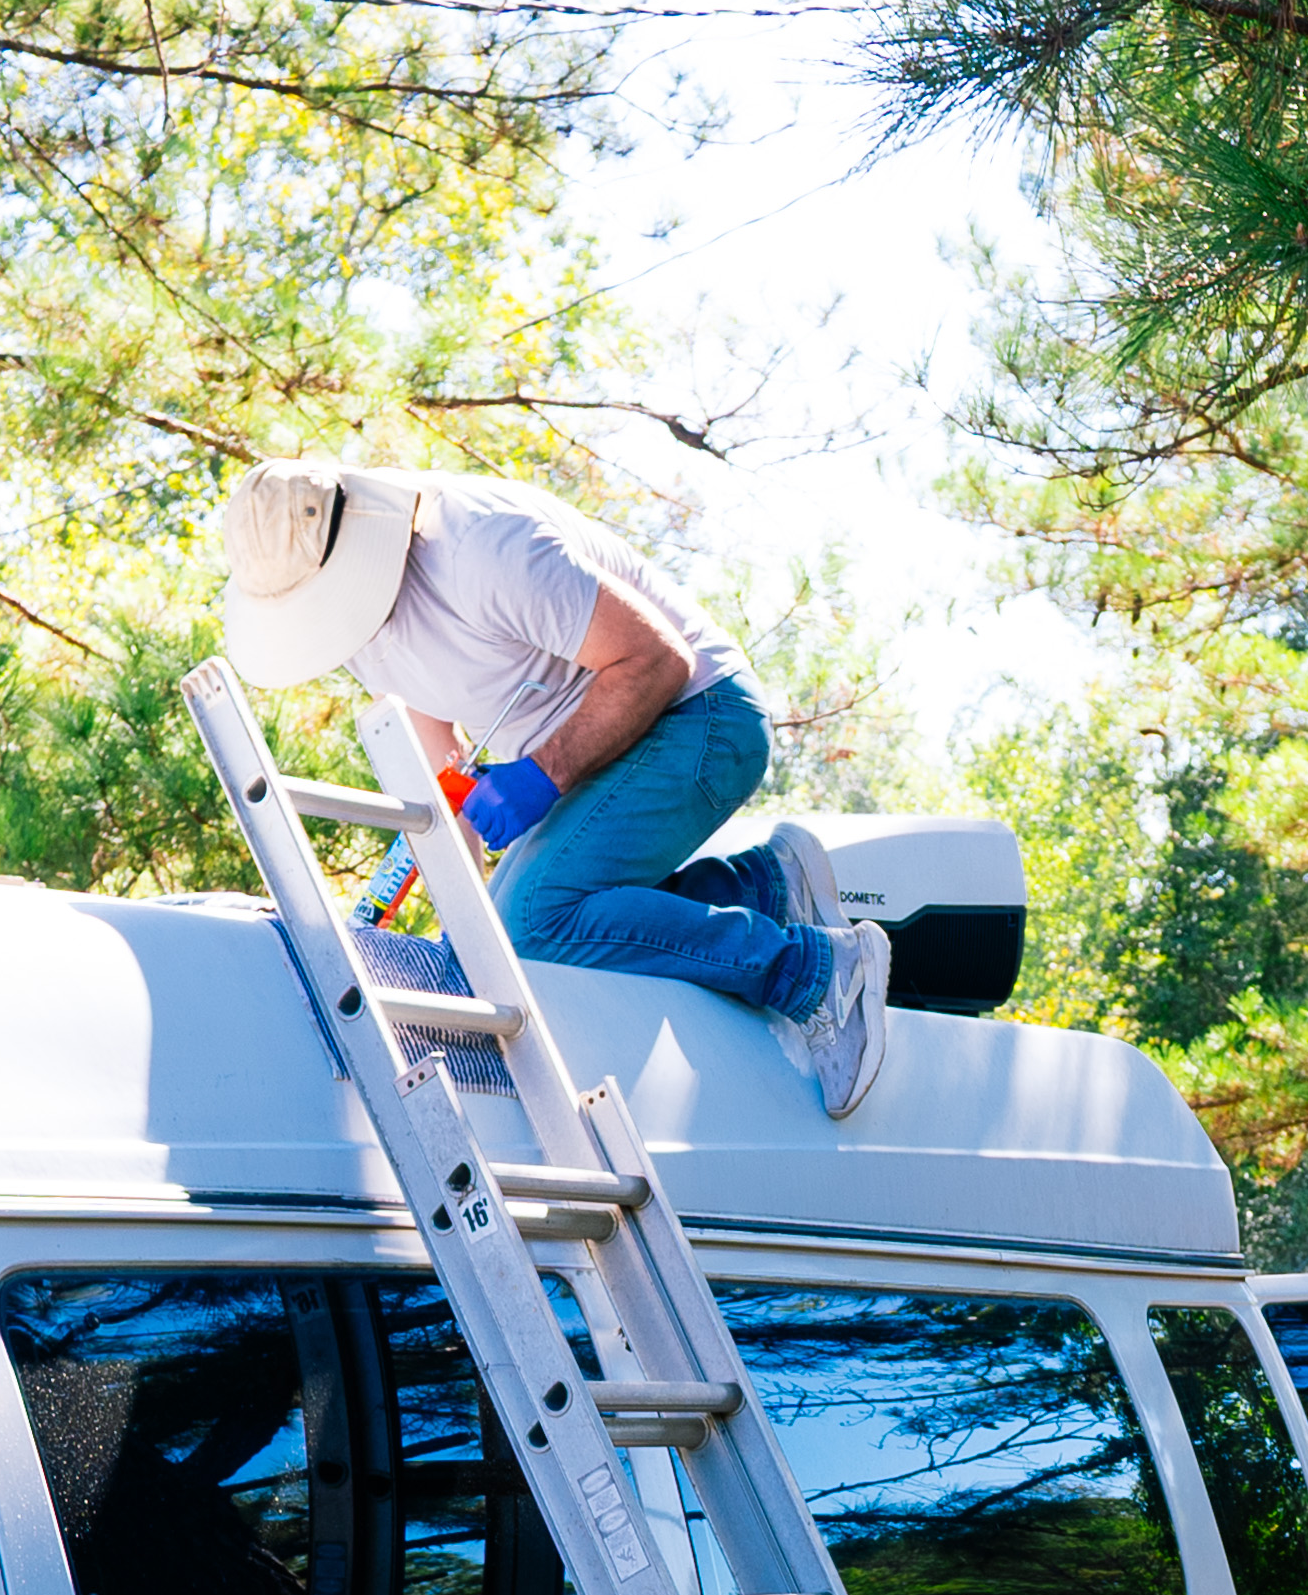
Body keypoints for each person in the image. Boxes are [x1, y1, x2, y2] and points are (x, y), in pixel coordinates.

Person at [211, 459, 894, 1117]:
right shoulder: (357, 626)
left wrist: (541, 776)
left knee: (533, 923)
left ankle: (813, 972)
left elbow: (658, 662)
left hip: (700, 718)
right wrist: (461, 905)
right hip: (602, 756)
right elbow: (441, 765)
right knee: (505, 940)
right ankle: (764, 888)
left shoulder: (482, 549)